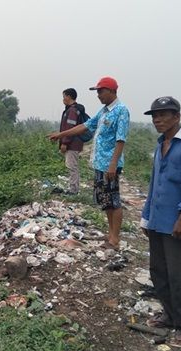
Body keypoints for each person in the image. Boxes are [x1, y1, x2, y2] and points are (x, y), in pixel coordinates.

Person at [140, 96, 181, 349]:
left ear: (177, 116)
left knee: (180, 276)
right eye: (155, 116)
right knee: (158, 272)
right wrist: (146, 217)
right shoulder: (161, 145)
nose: (157, 119)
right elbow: (154, 184)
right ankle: (169, 315)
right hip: (158, 221)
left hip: (178, 223)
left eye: (163, 115)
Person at [49, 76, 129, 249]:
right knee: (106, 201)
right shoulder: (104, 111)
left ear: (112, 91)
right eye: (97, 92)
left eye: (101, 91)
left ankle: (115, 239)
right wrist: (61, 134)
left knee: (114, 201)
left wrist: (113, 164)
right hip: (100, 163)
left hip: (109, 164)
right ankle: (110, 235)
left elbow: (120, 139)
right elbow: (85, 126)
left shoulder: (121, 110)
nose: (98, 95)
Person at [58, 88, 88, 195]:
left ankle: (73, 190)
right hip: (74, 143)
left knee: (72, 166)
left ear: (69, 97)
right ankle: (73, 188)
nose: (63, 99)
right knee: (72, 165)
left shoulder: (72, 110)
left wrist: (64, 143)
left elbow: (70, 127)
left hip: (72, 143)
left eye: (64, 96)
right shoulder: (72, 109)